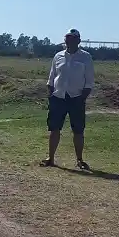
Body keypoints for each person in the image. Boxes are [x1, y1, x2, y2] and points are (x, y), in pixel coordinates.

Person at [43, 28, 94, 170]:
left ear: (78, 40)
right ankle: (50, 158)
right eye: (67, 38)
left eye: (72, 38)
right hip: (58, 97)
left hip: (76, 98)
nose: (69, 41)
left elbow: (89, 81)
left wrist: (82, 98)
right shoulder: (58, 56)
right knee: (54, 129)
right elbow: (52, 76)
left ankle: (79, 160)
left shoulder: (86, 57)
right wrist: (50, 93)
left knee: (78, 130)